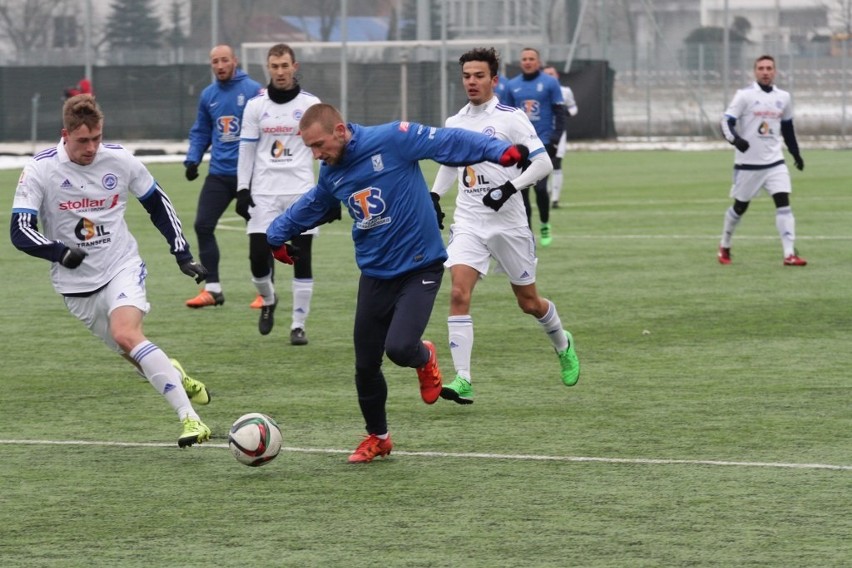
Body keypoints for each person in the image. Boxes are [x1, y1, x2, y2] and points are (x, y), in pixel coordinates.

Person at [266, 103, 529, 463]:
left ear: (340, 131)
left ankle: (426, 357)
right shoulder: (331, 172)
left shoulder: (392, 138)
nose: (316, 155)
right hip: (375, 274)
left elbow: (447, 141)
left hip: (421, 265)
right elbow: (316, 204)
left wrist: (500, 152)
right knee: (365, 366)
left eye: (319, 145)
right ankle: (379, 438)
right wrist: (276, 235)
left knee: (401, 348)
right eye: (309, 148)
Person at [10, 94, 213, 447]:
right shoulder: (41, 168)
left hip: (121, 265)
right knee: (133, 352)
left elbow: (158, 204)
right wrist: (58, 252)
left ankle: (192, 420)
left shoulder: (118, 160)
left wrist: (182, 253)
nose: (91, 148)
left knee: (126, 335)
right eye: (82, 140)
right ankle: (174, 372)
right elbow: (20, 230)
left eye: (96, 138)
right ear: (65, 134)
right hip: (75, 286)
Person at [430, 47, 580, 405]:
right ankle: (463, 378)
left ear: (494, 80)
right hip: (469, 219)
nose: (472, 81)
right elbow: (450, 162)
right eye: (467, 75)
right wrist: (435, 195)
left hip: (509, 222)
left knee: (528, 302)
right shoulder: (455, 122)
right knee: (457, 292)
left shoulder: (510, 118)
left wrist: (508, 188)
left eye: (479, 75)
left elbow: (542, 164)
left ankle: (562, 342)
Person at [237, 43, 324, 343]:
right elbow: (246, 150)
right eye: (275, 66)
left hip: (301, 191)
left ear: (294, 66)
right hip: (264, 193)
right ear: (268, 68)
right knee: (258, 259)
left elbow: (325, 150)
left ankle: (298, 325)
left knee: (302, 257)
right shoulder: (255, 106)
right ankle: (269, 298)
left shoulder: (311, 105)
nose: (280, 72)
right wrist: (242, 189)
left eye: (285, 65)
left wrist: (328, 192)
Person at [184, 44, 263, 308]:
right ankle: (213, 288)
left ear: (235, 61)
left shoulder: (253, 91)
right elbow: (201, 131)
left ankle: (265, 290)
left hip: (250, 176)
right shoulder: (208, 95)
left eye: (224, 60)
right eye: (215, 61)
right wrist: (193, 159)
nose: (219, 66)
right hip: (219, 174)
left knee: (259, 232)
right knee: (203, 225)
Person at [718, 54, 806, 266]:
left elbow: (787, 128)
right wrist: (735, 140)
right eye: (761, 68)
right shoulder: (744, 96)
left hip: (775, 163)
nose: (765, 72)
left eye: (769, 68)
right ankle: (725, 244)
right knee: (740, 207)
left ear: (775, 71)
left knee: (784, 204)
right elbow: (726, 121)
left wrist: (795, 153)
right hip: (748, 165)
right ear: (755, 72)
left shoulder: (783, 97)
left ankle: (789, 254)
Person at [503, 47, 565, 247]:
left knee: (539, 188)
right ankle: (527, 234)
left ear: (538, 62)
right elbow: (507, 116)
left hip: (543, 142)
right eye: (524, 59)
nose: (528, 62)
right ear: (520, 62)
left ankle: (545, 223)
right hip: (520, 147)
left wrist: (555, 138)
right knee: (522, 190)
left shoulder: (550, 82)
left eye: (531, 58)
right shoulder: (512, 86)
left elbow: (559, 113)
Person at [542, 65, 579, 209]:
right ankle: (545, 190)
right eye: (546, 74)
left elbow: (574, 108)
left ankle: (555, 199)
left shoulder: (565, 91)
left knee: (556, 162)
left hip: (558, 133)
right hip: (540, 132)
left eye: (552, 74)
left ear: (557, 75)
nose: (550, 77)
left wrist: (567, 113)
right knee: (543, 163)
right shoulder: (538, 91)